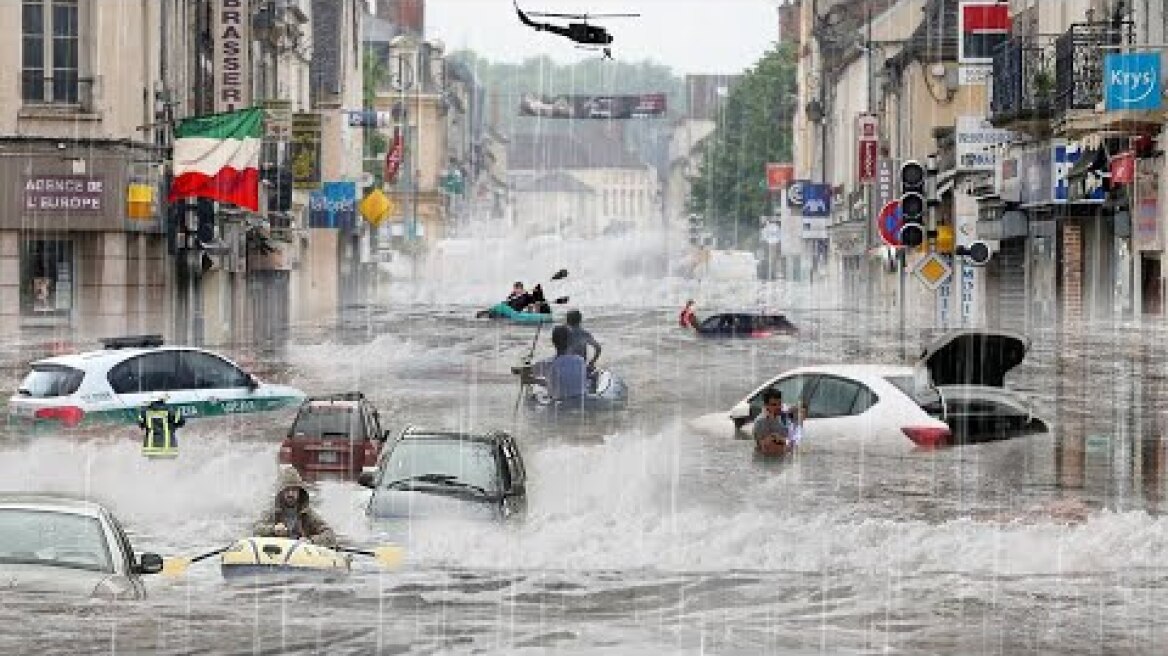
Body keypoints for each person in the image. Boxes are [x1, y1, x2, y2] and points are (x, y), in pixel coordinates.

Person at [253, 465, 338, 547]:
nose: (290, 494)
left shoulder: (308, 514)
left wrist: (310, 541)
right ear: (281, 493)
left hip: (300, 556)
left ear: (299, 492)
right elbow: (256, 529)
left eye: (294, 490)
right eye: (287, 490)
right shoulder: (272, 512)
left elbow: (329, 534)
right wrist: (273, 529)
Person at [521, 324, 587, 402]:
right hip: (580, 401)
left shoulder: (548, 363)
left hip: (558, 403)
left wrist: (526, 364)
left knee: (532, 391)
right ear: (572, 342)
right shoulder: (580, 361)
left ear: (553, 342)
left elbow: (524, 374)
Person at [752, 390, 795, 457]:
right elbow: (769, 448)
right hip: (769, 462)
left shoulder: (783, 416)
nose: (778, 407)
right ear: (766, 405)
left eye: (779, 404)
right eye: (774, 405)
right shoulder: (761, 422)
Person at [564, 310, 602, 374]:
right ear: (580, 320)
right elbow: (598, 348)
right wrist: (592, 362)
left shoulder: (563, 333)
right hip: (580, 366)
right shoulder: (584, 334)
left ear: (567, 321)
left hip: (565, 365)